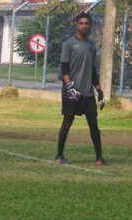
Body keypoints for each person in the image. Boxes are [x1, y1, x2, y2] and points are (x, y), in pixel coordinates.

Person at [56, 12, 107, 166]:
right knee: (67, 123)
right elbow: (64, 69)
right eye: (81, 23)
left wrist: (99, 91)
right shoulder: (68, 44)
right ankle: (59, 156)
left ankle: (99, 158)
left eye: (86, 23)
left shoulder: (91, 46)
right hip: (72, 91)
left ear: (90, 25)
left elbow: (93, 70)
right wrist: (70, 87)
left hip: (87, 93)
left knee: (94, 125)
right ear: (77, 25)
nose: (84, 26)